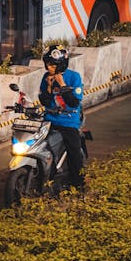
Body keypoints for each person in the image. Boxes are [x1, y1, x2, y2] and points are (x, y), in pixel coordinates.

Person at [38, 45, 85, 192]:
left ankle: (78, 185)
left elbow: (74, 102)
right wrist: (49, 88)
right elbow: (44, 101)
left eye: (52, 65)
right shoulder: (46, 78)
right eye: (47, 64)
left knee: (74, 152)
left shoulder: (74, 77)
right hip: (50, 119)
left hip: (68, 121)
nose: (49, 67)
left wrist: (63, 85)